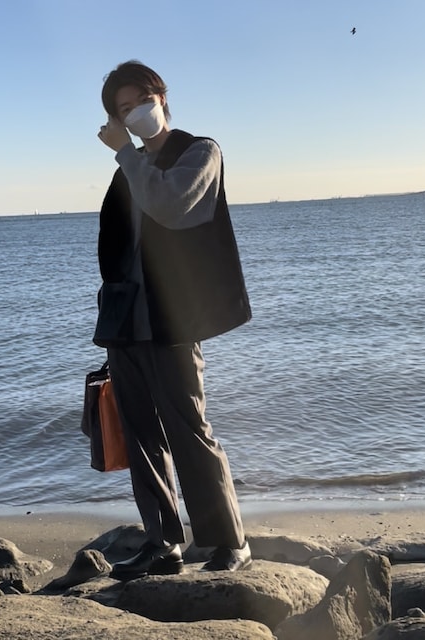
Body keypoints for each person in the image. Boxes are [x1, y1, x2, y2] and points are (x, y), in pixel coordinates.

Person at [95, 60, 252, 581]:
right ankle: (163, 543)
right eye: (123, 110)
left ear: (161, 97)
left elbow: (170, 203)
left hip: (174, 318)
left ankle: (229, 540)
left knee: (189, 429)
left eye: (140, 101)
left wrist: (124, 152)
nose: (134, 113)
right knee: (140, 434)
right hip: (126, 320)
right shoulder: (132, 164)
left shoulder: (200, 152)